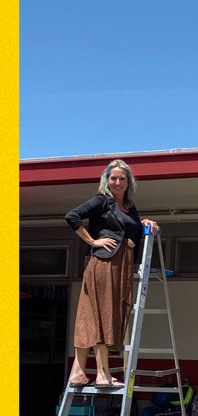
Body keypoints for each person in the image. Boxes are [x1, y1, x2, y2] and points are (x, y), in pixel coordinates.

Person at [65, 159, 159, 388]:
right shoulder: (101, 201)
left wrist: (144, 221)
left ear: (129, 182)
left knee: (93, 315)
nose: (117, 182)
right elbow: (72, 216)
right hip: (104, 262)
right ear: (107, 180)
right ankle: (102, 373)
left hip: (122, 265)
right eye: (113, 178)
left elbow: (132, 226)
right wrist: (93, 241)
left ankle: (78, 372)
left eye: (122, 178)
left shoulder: (129, 206)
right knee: (103, 315)